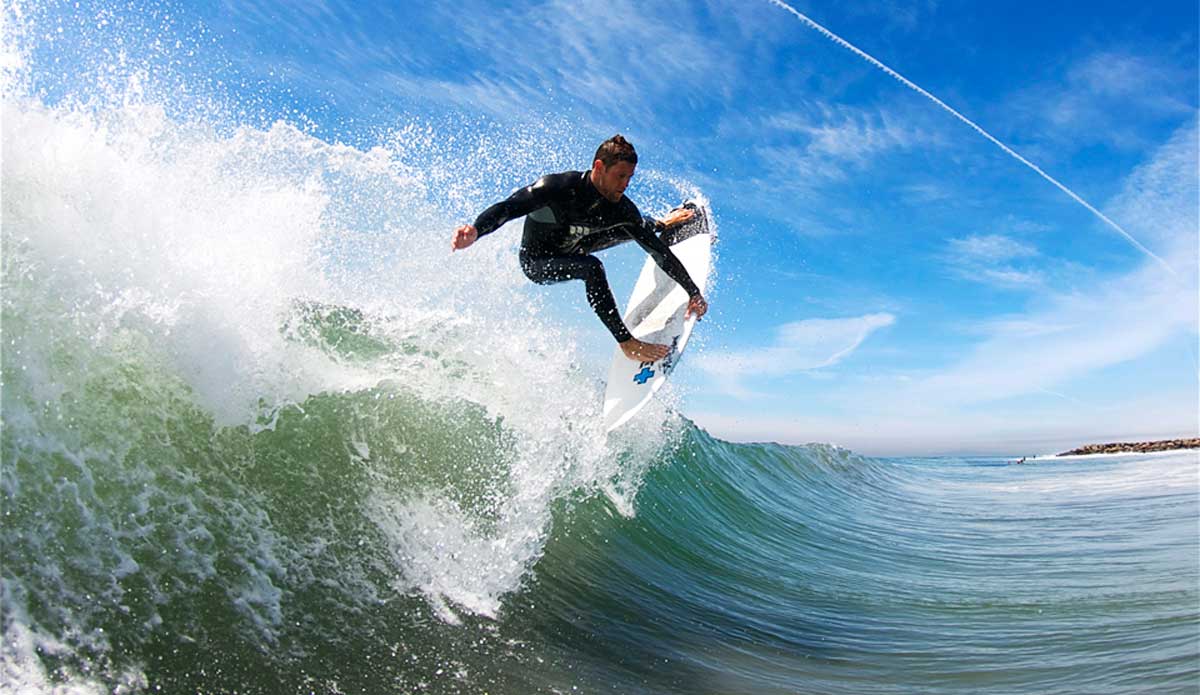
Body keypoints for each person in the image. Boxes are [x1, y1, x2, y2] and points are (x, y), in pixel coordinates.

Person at [451, 134, 708, 363]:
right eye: (620, 175)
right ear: (599, 167)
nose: (626, 183)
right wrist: (476, 230)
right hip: (538, 261)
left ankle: (662, 222)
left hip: (579, 245)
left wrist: (692, 291)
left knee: (633, 226)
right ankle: (627, 344)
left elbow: (658, 252)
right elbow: (508, 208)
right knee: (593, 268)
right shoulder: (557, 188)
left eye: (630, 177)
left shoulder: (621, 207)